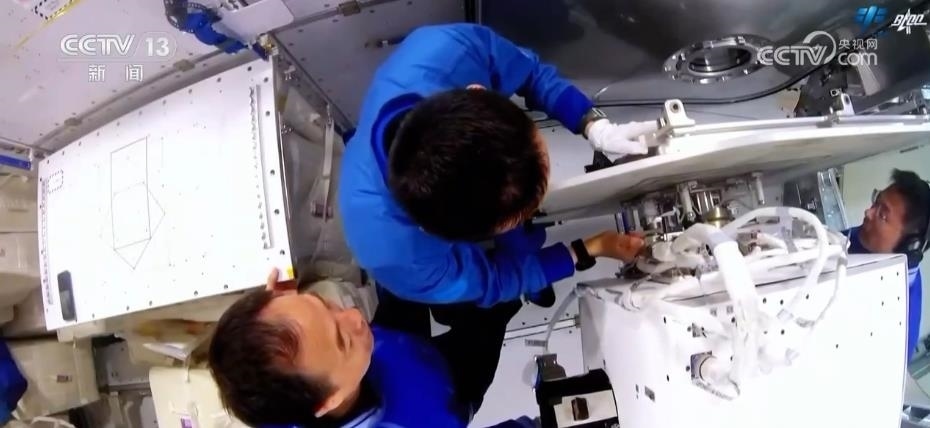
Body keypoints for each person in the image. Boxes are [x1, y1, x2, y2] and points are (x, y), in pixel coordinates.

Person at [338, 22, 651, 309]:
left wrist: (592, 124)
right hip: (421, 238)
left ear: (477, 92)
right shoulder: (399, 260)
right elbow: (493, 280)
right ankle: (529, 267)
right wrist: (585, 250)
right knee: (518, 255)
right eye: (524, 211)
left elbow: (530, 71)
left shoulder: (446, 50)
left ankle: (527, 253)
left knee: (521, 241)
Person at [208, 269, 537, 428]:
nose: (353, 315)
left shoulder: (277, 398)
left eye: (324, 305)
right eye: (341, 339)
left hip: (386, 348)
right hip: (450, 387)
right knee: (490, 319)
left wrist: (283, 303)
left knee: (401, 275)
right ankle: (521, 290)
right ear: (328, 400)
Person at [845, 169, 930, 359]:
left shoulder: (899, 327)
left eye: (883, 215)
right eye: (876, 201)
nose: (868, 213)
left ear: (909, 246)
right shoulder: (863, 237)